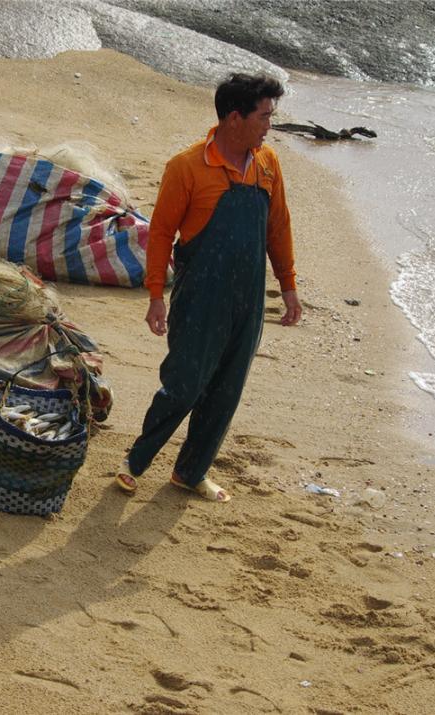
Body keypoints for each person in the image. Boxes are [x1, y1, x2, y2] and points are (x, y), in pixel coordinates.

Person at [115, 73, 302, 503]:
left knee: (226, 389)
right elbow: (161, 234)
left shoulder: (268, 164)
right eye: (264, 116)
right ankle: (135, 462)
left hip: (248, 300)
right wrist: (155, 296)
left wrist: (288, 286)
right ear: (235, 118)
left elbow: (278, 227)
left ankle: (191, 472)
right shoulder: (186, 167)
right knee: (184, 383)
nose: (268, 125)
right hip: (199, 297)